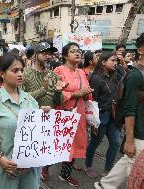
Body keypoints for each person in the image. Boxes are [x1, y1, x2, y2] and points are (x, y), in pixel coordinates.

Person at [0, 53, 49, 189]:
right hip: (5, 167)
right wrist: (0, 160)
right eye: (15, 70)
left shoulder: (31, 101)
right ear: (2, 74)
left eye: (22, 70)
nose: (20, 74)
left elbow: (38, 133)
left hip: (29, 168)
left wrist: (45, 116)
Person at [94, 33, 144, 189]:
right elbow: (130, 109)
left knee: (128, 160)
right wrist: (129, 140)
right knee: (136, 174)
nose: (115, 62)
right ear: (141, 49)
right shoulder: (135, 76)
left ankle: (105, 185)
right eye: (112, 60)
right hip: (137, 133)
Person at [21, 41, 66, 181]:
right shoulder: (25, 73)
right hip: (30, 122)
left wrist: (59, 92)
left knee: (45, 155)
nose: (48, 56)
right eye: (44, 53)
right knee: (27, 160)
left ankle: (39, 176)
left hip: (48, 122)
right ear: (35, 54)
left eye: (50, 54)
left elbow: (57, 101)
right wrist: (43, 91)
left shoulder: (52, 75)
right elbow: (22, 99)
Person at [54, 42, 93, 187]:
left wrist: (89, 97)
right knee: (58, 145)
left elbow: (86, 91)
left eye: (79, 51)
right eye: (73, 51)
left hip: (80, 112)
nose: (77, 53)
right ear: (65, 55)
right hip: (63, 112)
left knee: (75, 145)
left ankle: (65, 174)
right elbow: (55, 93)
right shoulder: (59, 71)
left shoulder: (82, 72)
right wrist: (76, 94)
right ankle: (45, 168)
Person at [85, 52, 120, 178]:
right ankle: (88, 165)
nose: (115, 63)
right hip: (101, 116)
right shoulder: (96, 78)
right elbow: (92, 101)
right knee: (95, 143)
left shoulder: (115, 75)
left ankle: (107, 169)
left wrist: (123, 64)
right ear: (103, 62)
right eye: (112, 60)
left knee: (116, 142)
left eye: (116, 61)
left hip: (113, 116)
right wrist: (94, 122)